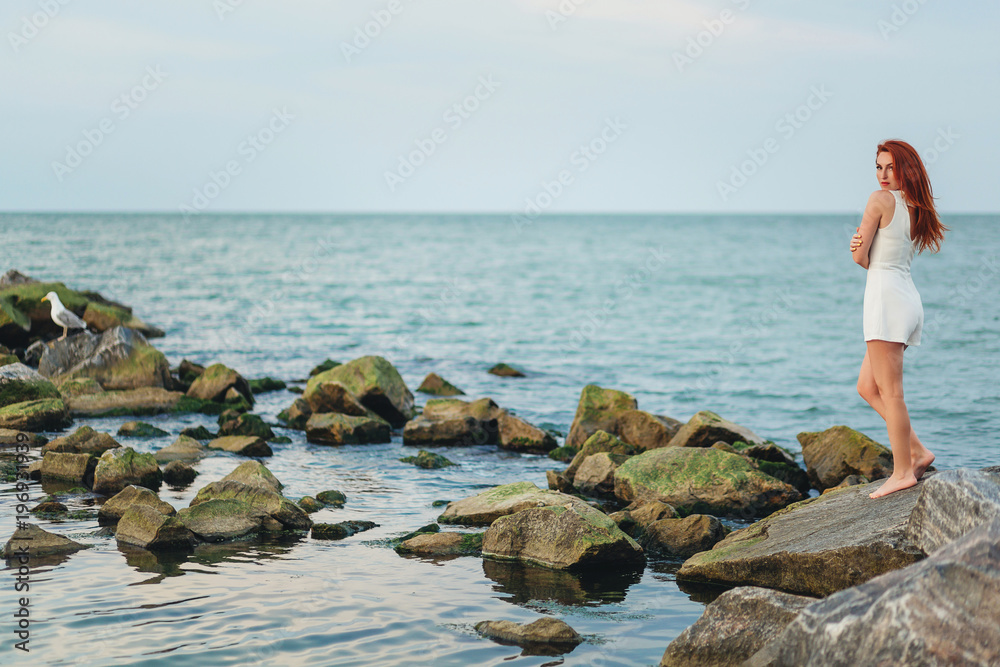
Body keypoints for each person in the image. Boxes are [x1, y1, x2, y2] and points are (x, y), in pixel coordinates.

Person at [849, 140, 949, 499]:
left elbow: (862, 259)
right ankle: (919, 452)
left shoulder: (880, 200)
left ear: (905, 168)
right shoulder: (915, 205)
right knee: (867, 387)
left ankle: (903, 471)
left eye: (890, 167)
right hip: (906, 300)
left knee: (891, 393)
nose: (883, 175)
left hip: (886, 302)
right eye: (878, 167)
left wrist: (856, 244)